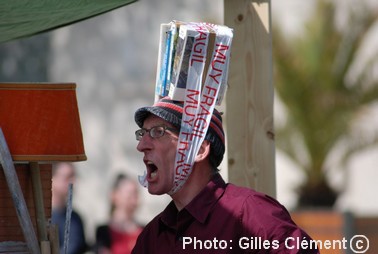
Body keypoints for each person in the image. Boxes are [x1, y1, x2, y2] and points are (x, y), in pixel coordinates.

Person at [131, 97, 320, 254]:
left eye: (158, 132)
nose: (141, 146)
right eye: (143, 134)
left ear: (199, 150)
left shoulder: (248, 213)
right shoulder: (152, 237)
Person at [95, 173, 143, 254]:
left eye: (136, 193)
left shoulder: (144, 231)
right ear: (114, 195)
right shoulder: (103, 232)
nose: (134, 198)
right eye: (130, 193)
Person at [51, 162, 88, 254]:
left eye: (74, 177)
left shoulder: (76, 218)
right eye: (68, 177)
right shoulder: (41, 218)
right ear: (52, 179)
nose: (73, 182)